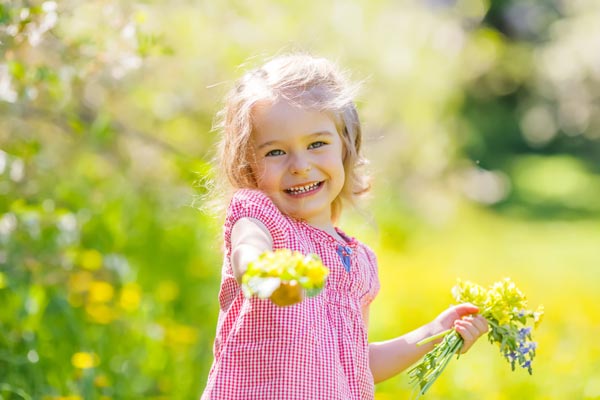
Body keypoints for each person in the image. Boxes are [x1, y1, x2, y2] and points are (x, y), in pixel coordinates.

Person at [201, 53, 488, 400]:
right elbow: (247, 249)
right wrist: (262, 270)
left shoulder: (358, 262)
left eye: (317, 144)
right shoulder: (260, 217)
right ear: (248, 164)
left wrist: (437, 331)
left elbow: (354, 363)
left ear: (346, 148)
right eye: (276, 152)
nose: (300, 166)